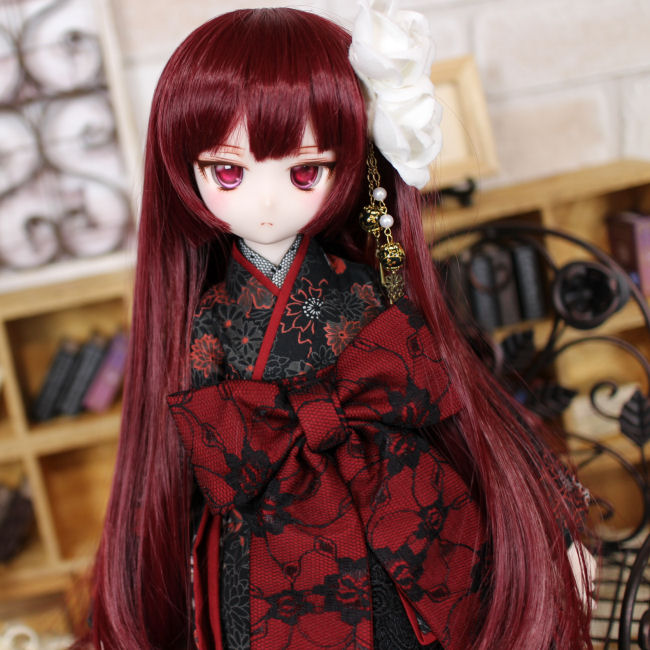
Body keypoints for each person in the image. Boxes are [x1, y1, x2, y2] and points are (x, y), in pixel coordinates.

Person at [87, 4, 594, 649]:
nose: (265, 200)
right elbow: (208, 436)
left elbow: (443, 394)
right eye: (229, 172)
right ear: (185, 172)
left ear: (348, 163)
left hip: (389, 490)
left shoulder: (361, 288)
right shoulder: (212, 317)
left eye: (304, 171)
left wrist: (552, 529)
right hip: (271, 530)